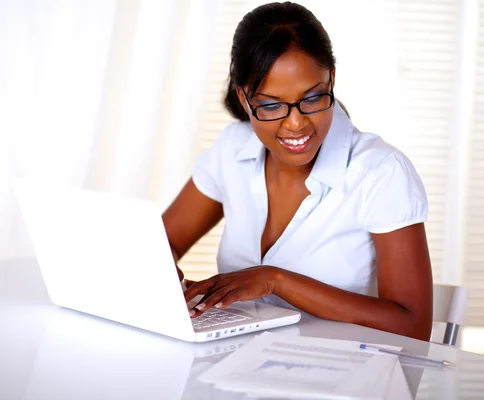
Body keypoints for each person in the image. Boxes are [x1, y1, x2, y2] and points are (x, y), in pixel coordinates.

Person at [162, 1, 433, 341]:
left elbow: (414, 326)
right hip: (236, 372)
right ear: (245, 100)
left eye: (313, 97)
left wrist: (275, 279)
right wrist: (162, 274)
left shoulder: (381, 172)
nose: (296, 123)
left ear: (331, 80)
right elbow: (162, 243)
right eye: (272, 105)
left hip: (339, 382)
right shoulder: (232, 150)